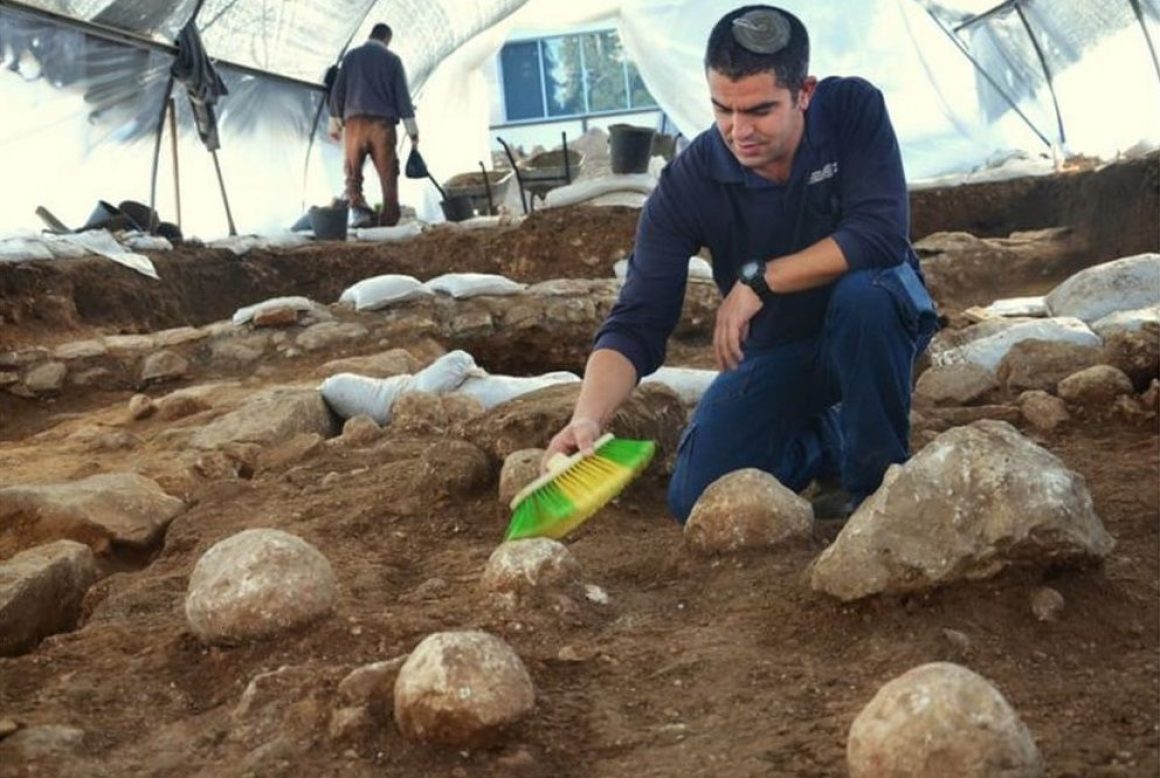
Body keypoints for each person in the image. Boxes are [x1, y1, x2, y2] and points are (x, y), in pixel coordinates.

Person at [544, 5, 938, 523]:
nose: (738, 130)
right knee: (697, 498)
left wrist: (760, 280)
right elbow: (639, 319)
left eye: (758, 110)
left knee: (864, 298)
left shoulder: (850, 109)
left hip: (876, 330)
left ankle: (874, 490)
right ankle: (829, 437)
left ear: (804, 92)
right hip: (783, 350)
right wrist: (587, 416)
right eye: (722, 110)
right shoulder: (689, 184)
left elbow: (880, 236)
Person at [328, 23, 419, 227]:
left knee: (353, 174)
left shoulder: (351, 57)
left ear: (370, 35)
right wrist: (413, 132)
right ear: (387, 39)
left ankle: (360, 212)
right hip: (382, 126)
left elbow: (338, 92)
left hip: (355, 125)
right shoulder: (393, 60)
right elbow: (403, 98)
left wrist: (335, 126)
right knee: (388, 175)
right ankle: (388, 222)